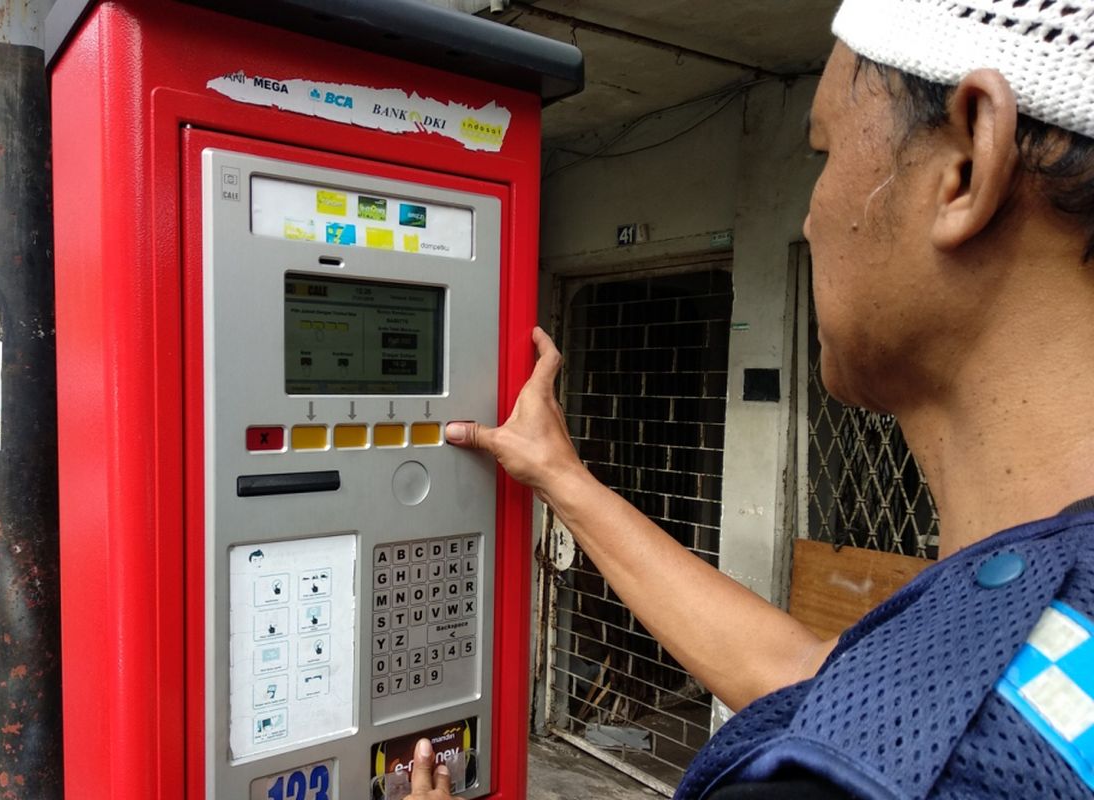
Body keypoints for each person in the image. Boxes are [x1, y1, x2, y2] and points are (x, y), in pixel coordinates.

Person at [407, 0, 1094, 796]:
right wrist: (562, 477)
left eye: (824, 152)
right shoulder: (1012, 646)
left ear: (967, 167)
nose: (811, 211)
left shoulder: (871, 779)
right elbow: (823, 684)